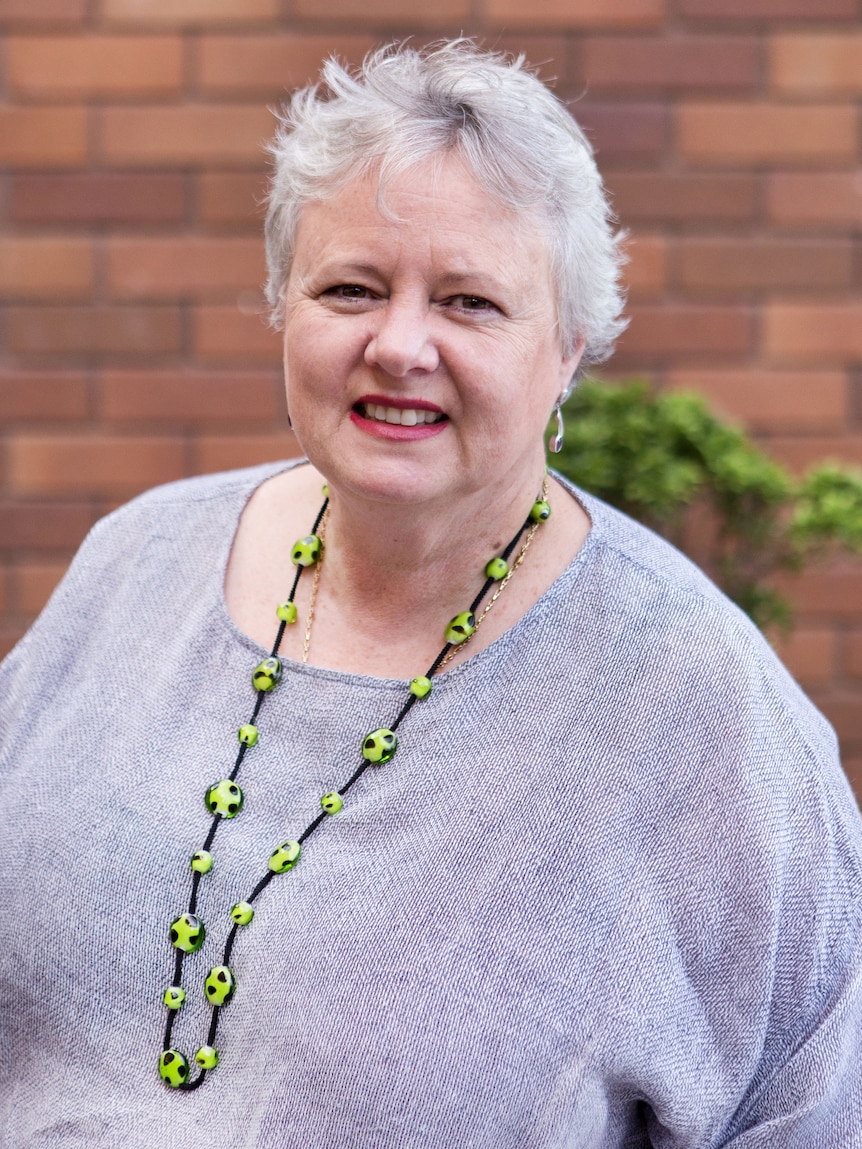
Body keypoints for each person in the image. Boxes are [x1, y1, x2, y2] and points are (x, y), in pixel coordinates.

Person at [1, 40, 860, 1148]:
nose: (399, 344)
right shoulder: (134, 565)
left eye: (469, 303)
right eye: (350, 288)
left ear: (567, 351)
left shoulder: (701, 712)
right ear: (281, 306)